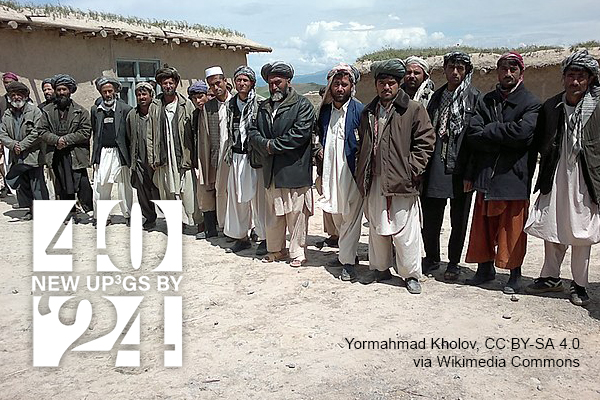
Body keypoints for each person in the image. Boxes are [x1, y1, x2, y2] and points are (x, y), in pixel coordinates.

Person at [524, 50, 600, 306]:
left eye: (580, 76)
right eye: (570, 75)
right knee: (554, 224)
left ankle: (579, 285)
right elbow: (540, 142)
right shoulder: (552, 106)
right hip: (556, 174)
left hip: (586, 178)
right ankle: (550, 277)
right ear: (564, 78)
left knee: (582, 231)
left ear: (590, 79)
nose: (574, 82)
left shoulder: (598, 107)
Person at [355, 59, 435, 294]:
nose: (386, 88)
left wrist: (412, 169)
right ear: (376, 85)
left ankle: (410, 274)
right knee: (378, 226)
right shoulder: (369, 111)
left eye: (391, 83)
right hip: (376, 179)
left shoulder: (412, 109)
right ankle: (380, 269)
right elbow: (362, 144)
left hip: (402, 181)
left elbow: (426, 141)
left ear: (398, 84)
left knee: (405, 231)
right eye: (382, 83)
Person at [465, 52, 541, 294]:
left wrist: (492, 130)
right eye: (503, 69)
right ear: (498, 72)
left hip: (514, 176)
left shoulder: (531, 102)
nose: (508, 73)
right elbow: (473, 134)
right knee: (483, 227)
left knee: (512, 230)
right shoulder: (487, 101)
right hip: (487, 173)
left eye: (513, 69)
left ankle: (514, 274)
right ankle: (484, 269)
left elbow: (523, 135)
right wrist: (504, 134)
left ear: (521, 72)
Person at [248, 61, 315, 267]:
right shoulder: (264, 107)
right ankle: (276, 250)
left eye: (278, 82)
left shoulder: (303, 106)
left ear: (288, 81)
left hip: (294, 169)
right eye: (270, 83)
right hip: (271, 170)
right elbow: (252, 132)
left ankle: (297, 253)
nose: (274, 87)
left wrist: (270, 146)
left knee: (296, 214)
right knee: (273, 215)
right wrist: (265, 145)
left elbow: (299, 135)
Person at [420, 52, 480, 280]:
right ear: (444, 69)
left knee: (459, 219)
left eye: (461, 68)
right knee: (432, 216)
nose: (455, 72)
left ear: (466, 71)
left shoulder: (474, 98)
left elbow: (476, 139)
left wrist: (471, 172)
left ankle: (453, 262)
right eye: (451, 67)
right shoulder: (436, 97)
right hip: (436, 164)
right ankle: (432, 257)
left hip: (461, 167)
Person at [315, 63, 364, 281]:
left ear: (351, 86)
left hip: (351, 173)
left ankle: (348, 262)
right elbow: (315, 137)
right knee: (336, 213)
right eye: (336, 84)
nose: (340, 88)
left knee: (351, 217)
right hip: (329, 172)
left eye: (345, 84)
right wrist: (318, 150)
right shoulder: (324, 112)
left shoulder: (360, 110)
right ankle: (347, 253)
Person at [223, 66, 267, 254]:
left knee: (260, 200)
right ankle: (242, 237)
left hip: (255, 158)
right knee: (237, 199)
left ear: (252, 83)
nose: (241, 83)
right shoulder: (230, 104)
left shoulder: (261, 104)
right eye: (238, 80)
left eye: (245, 80)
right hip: (236, 156)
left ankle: (265, 237)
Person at [38, 74, 93, 221]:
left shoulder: (81, 111)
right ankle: (69, 212)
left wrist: (66, 140)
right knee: (62, 184)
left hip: (75, 153)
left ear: (70, 91)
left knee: (81, 182)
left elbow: (85, 131)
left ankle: (90, 210)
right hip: (56, 153)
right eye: (59, 89)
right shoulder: (47, 111)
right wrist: (56, 140)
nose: (61, 92)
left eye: (64, 89)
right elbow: (41, 131)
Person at [151, 66, 199, 229]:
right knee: (167, 192)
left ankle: (199, 223)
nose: (168, 86)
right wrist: (153, 157)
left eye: (171, 83)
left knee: (189, 192)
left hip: (183, 155)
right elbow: (150, 134)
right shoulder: (155, 106)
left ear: (176, 84)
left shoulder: (186, 105)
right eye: (165, 83)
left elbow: (194, 132)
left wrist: (195, 157)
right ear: (160, 85)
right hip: (164, 157)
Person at [0, 81, 49, 219]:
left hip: (33, 155)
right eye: (13, 95)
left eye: (19, 94)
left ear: (25, 96)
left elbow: (38, 132)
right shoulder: (7, 114)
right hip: (17, 156)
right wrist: (13, 145)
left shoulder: (34, 111)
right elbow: (2, 133)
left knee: (37, 184)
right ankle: (30, 210)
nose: (16, 97)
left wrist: (22, 145)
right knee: (24, 185)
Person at [90, 77, 133, 225]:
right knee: (101, 185)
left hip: (120, 153)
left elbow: (129, 134)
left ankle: (129, 215)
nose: (108, 94)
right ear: (101, 93)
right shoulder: (96, 110)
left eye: (110, 91)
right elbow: (95, 132)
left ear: (115, 91)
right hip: (103, 152)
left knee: (124, 186)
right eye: (104, 92)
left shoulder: (125, 109)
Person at [127, 82, 161, 230]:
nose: (141, 97)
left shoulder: (158, 112)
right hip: (139, 160)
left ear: (151, 95)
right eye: (139, 95)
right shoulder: (132, 115)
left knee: (161, 189)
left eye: (144, 94)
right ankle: (149, 217)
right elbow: (129, 136)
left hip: (158, 159)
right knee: (143, 190)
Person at [188, 80, 217, 239]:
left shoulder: (215, 111)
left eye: (201, 97)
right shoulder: (195, 115)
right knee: (205, 194)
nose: (198, 101)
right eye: (195, 99)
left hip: (216, 158)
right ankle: (210, 229)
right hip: (201, 159)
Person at [205, 66, 233, 231]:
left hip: (238, 154)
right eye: (212, 85)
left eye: (218, 83)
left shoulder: (237, 101)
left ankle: (247, 227)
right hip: (219, 154)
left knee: (240, 191)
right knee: (221, 190)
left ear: (225, 81)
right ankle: (223, 225)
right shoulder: (208, 108)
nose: (216, 88)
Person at [0, 71, 19, 198]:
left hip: (19, 137)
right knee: (5, 163)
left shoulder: (22, 99)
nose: (7, 85)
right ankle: (9, 186)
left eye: (10, 82)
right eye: (5, 83)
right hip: (5, 136)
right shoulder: (1, 100)